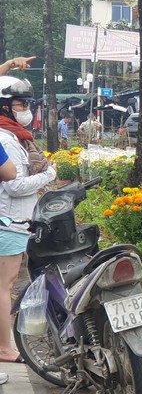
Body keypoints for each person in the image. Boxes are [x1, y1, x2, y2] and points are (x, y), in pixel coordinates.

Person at [0, 76, 57, 378]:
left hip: (11, 220)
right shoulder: (6, 138)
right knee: (4, 286)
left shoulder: (13, 135)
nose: (24, 109)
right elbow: (15, 185)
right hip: (7, 221)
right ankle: (5, 348)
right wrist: (49, 175)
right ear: (5, 106)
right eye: (19, 103)